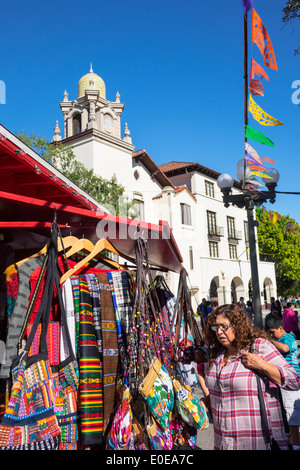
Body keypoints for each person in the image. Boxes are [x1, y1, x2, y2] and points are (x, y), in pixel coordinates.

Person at [199, 304, 300, 450]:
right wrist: (209, 400)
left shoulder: (257, 347)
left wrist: (263, 365)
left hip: (256, 442)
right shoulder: (218, 355)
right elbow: (229, 389)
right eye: (216, 328)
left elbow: (294, 380)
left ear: (238, 326)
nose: (219, 332)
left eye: (224, 326)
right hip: (224, 442)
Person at [265, 316, 300, 450]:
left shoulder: (289, 338)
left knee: (293, 414)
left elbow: (285, 349)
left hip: (291, 383)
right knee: (288, 413)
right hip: (285, 382)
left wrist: (270, 341)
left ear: (281, 328)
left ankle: (296, 445)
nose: (272, 336)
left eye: (273, 332)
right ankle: (292, 440)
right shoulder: (280, 338)